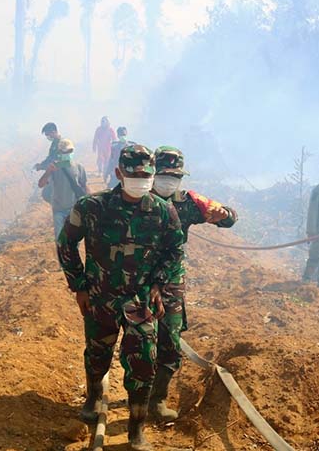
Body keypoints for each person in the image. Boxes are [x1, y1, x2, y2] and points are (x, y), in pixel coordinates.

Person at [57, 145, 184, 451]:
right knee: (97, 355)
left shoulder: (164, 211)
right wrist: (80, 286)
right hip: (100, 299)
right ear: (119, 173)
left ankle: (136, 430)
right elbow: (66, 244)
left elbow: (174, 250)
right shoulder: (91, 207)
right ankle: (93, 398)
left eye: (146, 175)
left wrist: (158, 282)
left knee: (143, 363)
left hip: (140, 303)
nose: (141, 179)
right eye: (134, 174)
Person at [149, 146, 238, 422]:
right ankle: (136, 392)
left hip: (171, 284)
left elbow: (226, 218)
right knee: (136, 344)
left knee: (170, 342)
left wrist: (224, 214)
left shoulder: (188, 202)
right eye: (164, 174)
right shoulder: (134, 198)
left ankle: (157, 400)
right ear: (153, 173)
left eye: (174, 176)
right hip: (135, 282)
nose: (169, 180)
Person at [37, 139, 88, 238]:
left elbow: (84, 186)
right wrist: (48, 172)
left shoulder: (79, 167)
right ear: (59, 153)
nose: (67, 154)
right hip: (59, 209)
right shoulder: (54, 168)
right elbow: (41, 184)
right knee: (60, 239)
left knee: (74, 238)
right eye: (64, 152)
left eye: (69, 151)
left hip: (74, 209)